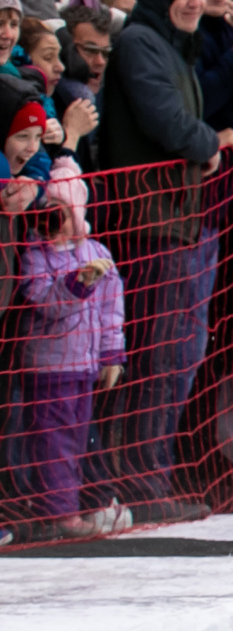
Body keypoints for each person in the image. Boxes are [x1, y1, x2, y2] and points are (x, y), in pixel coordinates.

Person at [95, 0, 233, 521]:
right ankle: (135, 478)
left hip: (181, 221)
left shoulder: (176, 45)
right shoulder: (139, 42)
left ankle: (150, 471)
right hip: (148, 227)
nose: (195, 0)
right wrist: (209, 142)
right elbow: (164, 120)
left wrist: (203, 141)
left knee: (179, 356)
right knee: (157, 357)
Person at [17, 174, 128, 539]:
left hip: (86, 363)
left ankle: (72, 504)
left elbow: (112, 309)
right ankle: (59, 513)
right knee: (55, 439)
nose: (52, 220)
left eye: (60, 212)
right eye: (45, 211)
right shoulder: (35, 256)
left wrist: (112, 355)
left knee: (79, 438)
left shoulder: (98, 252)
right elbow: (45, 303)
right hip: (50, 364)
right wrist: (77, 283)